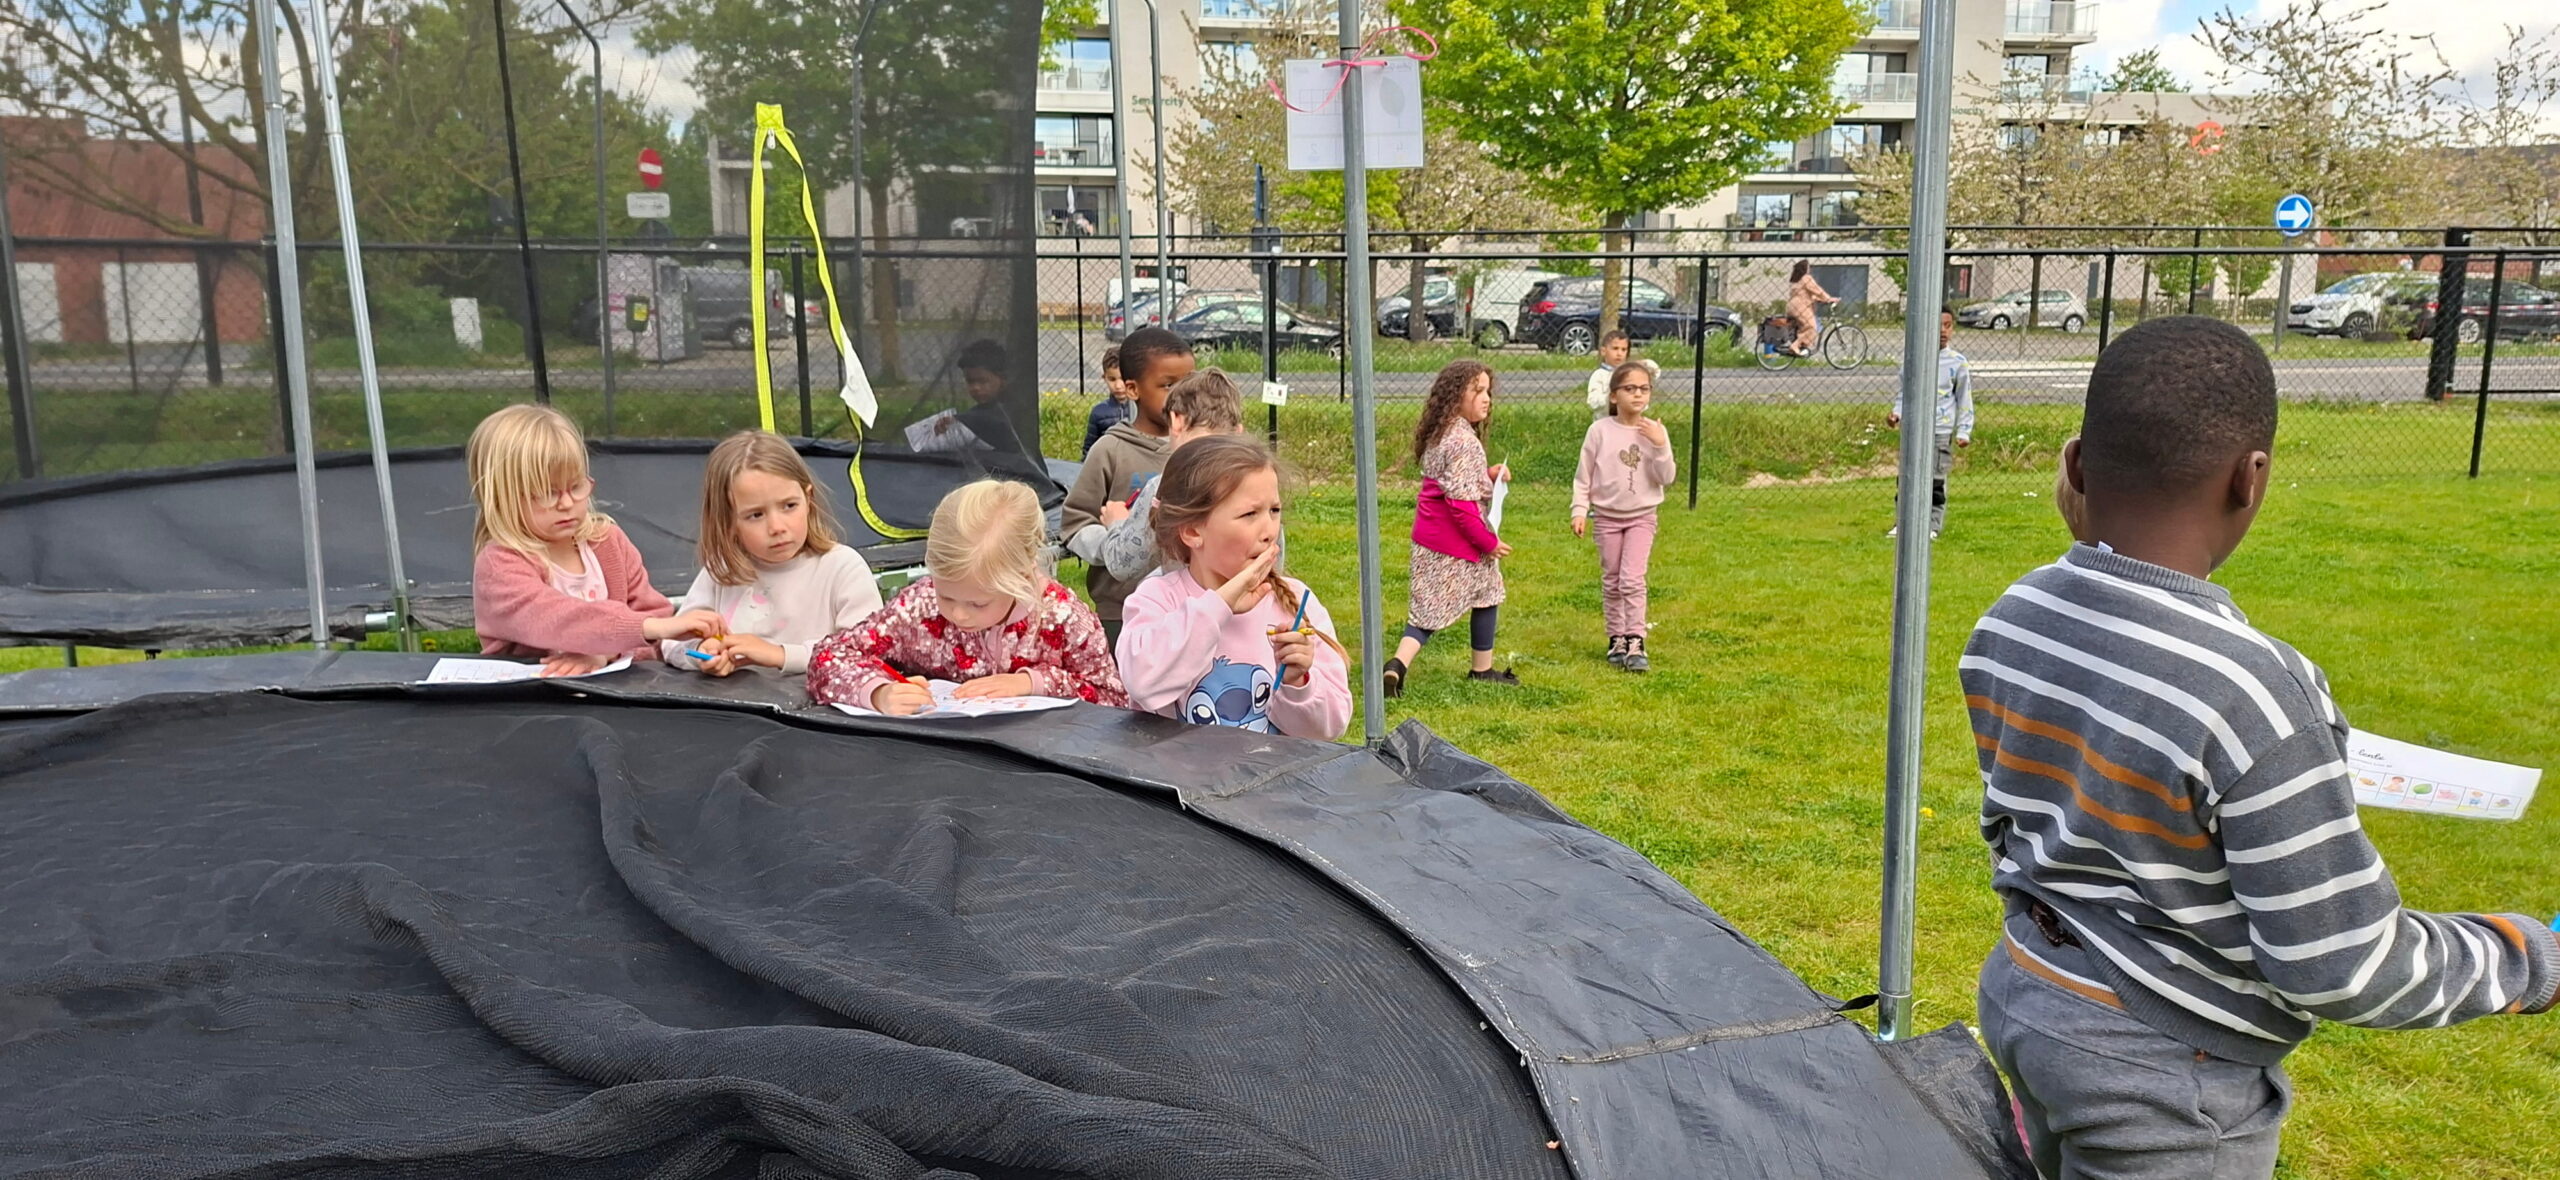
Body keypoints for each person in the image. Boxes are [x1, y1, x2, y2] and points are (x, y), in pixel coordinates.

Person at [1963, 316, 2558, 1180]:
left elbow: (2017, 819)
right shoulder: (2254, 693)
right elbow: (2342, 963)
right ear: (2250, 478)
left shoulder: (2015, 616)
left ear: (2078, 464)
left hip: (2032, 996)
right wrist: (2527, 958)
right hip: (2166, 1088)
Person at [807, 480, 1126, 715]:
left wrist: (1035, 683)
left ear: (1023, 574)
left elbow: (1113, 701)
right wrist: (877, 692)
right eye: (947, 596)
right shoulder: (920, 605)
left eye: (978, 603)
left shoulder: (1062, 618)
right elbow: (831, 655)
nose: (958, 614)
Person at [1116, 435, 1350, 739]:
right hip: (1182, 771)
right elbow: (1143, 684)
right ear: (1192, 531)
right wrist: (1219, 606)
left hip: (1272, 772)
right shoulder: (1157, 600)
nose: (1269, 531)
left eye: (1274, 510)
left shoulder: (1296, 602)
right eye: (1249, 514)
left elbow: (1329, 729)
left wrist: (1297, 682)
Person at [466, 404, 723, 675]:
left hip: (619, 691)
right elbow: (554, 618)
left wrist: (607, 654)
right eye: (547, 493)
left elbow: (657, 638)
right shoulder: (499, 564)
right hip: (533, 695)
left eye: (576, 486)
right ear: (502, 498)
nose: (567, 503)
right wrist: (645, 628)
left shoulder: (608, 541)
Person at [662, 430, 883, 677]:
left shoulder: (842, 567)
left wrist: (780, 655)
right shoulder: (722, 571)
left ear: (808, 500)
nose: (777, 527)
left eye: (789, 506)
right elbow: (671, 643)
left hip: (813, 701)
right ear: (729, 522)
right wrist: (701, 652)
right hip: (736, 701)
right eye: (756, 515)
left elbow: (866, 651)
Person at [1383, 360, 1514, 697]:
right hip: (1457, 545)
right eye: (1478, 391)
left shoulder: (1442, 433)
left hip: (1428, 539)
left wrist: (1489, 475)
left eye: (1488, 391)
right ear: (1456, 396)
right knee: (1486, 595)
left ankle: (1398, 664)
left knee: (1429, 610)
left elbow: (1453, 482)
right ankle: (1480, 670)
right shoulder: (1464, 441)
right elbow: (1461, 505)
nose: (1487, 398)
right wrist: (1487, 543)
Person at [1062, 326, 1191, 645]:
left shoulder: (1200, 452)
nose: (1182, 396)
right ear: (1133, 389)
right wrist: (1114, 543)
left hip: (1189, 607)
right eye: (1168, 385)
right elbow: (1075, 524)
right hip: (1121, 612)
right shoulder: (1110, 450)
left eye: (1189, 384)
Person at [1098, 368, 1270, 582]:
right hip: (1250, 597)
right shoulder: (1259, 483)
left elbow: (1123, 566)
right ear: (1238, 431)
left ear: (1176, 421)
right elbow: (1273, 556)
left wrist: (1116, 523)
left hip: (1187, 601)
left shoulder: (1165, 486)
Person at [1571, 362, 1676, 673]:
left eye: (1644, 389)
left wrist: (1659, 444)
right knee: (1613, 579)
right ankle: (1616, 638)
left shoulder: (1655, 431)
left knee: (1631, 579)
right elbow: (1583, 477)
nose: (1638, 394)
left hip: (1642, 517)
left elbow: (1667, 477)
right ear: (1614, 396)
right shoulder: (1599, 431)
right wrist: (1579, 510)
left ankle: (1636, 640)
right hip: (1606, 518)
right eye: (1630, 388)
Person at [1887, 310, 1973, 539]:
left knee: (1935, 479)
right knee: (1907, 478)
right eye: (1938, 325)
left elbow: (1964, 398)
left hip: (1940, 431)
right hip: (1913, 431)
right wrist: (1897, 413)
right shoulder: (1913, 359)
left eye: (1948, 325)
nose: (1943, 331)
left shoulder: (1957, 363)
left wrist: (1964, 430)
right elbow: (1905, 392)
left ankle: (1933, 525)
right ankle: (1902, 523)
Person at [1082, 346, 1133, 457]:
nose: (1118, 386)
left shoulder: (1143, 409)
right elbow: (1089, 450)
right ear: (1104, 378)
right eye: (1112, 379)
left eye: (1123, 378)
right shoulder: (1098, 412)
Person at [1785, 260, 1838, 356]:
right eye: (1808, 267)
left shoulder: (1797, 280)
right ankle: (1795, 346)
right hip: (1801, 307)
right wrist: (1828, 298)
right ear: (1805, 268)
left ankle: (1802, 348)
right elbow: (1816, 290)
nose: (1810, 269)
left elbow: (1808, 295)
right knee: (1812, 327)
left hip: (1792, 307)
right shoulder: (1806, 278)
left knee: (1803, 327)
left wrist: (1822, 300)